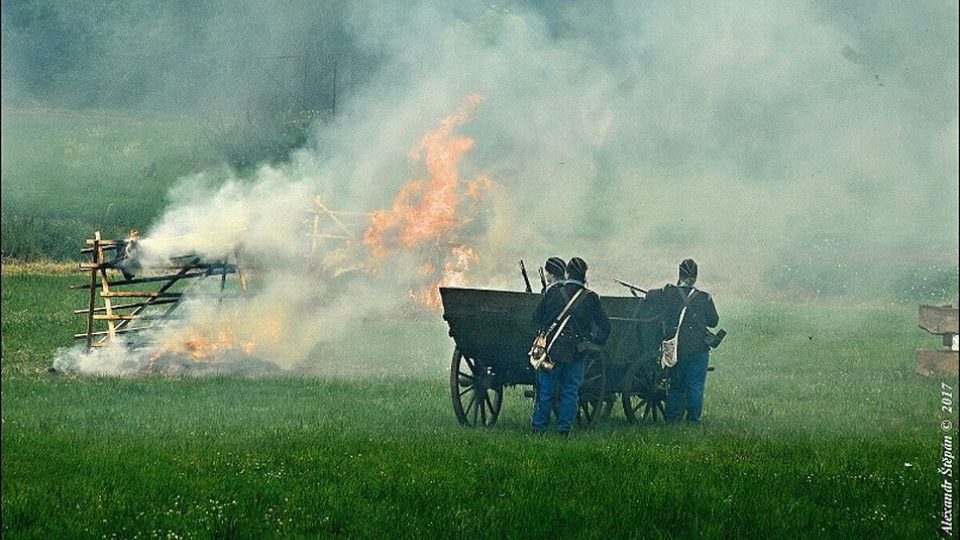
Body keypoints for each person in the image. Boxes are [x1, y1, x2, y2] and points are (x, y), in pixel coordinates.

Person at [531, 257, 611, 436]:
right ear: (584, 275)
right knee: (570, 393)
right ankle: (563, 430)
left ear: (567, 273)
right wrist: (594, 343)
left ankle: (539, 429)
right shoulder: (591, 298)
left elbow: (536, 318)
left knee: (546, 392)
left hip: (551, 351)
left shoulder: (553, 293)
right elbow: (605, 326)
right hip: (576, 352)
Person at [661, 258, 719, 425]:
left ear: (679, 274)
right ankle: (693, 421)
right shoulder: (704, 298)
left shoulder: (669, 293)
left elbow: (654, 298)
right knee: (695, 386)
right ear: (695, 276)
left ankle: (672, 419)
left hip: (677, 348)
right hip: (699, 349)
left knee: (676, 386)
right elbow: (713, 321)